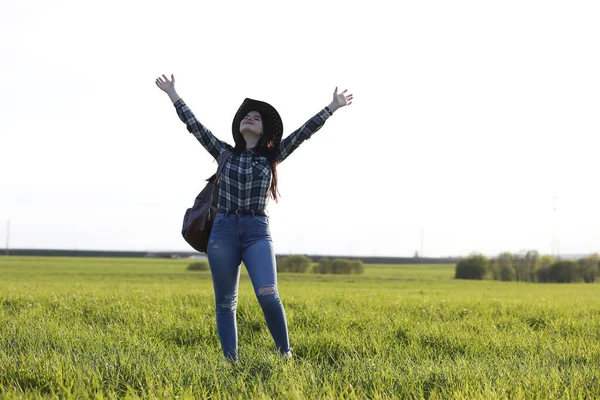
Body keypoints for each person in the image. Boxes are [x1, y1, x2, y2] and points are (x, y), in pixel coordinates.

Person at [155, 74, 353, 360]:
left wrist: (332, 107)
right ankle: (230, 362)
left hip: (257, 232)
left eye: (256, 118)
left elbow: (303, 133)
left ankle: (285, 354)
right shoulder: (223, 152)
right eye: (246, 116)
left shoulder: (272, 156)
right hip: (222, 231)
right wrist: (173, 93)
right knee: (225, 303)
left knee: (268, 293)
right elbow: (194, 126)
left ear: (264, 131)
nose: (250, 118)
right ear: (239, 126)